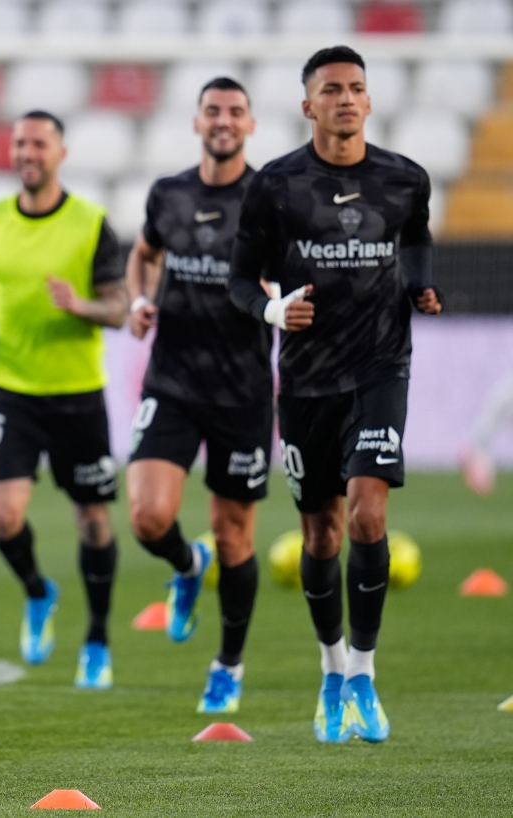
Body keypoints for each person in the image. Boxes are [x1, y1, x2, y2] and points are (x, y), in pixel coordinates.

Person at [229, 46, 442, 744]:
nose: (346, 99)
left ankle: (365, 676)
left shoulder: (405, 179)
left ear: (369, 101)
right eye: (331, 89)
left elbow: (414, 243)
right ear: (307, 104)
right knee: (319, 529)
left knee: (368, 518)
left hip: (382, 369)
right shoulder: (276, 186)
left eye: (356, 88)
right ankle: (330, 668)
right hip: (308, 381)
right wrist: (270, 311)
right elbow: (239, 280)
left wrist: (418, 286)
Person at [0, 110, 128, 688]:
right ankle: (38, 591)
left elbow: (120, 307)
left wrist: (81, 306)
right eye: (20, 143)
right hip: (13, 390)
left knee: (94, 521)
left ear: (61, 154)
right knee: (3, 519)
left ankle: (98, 639)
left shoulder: (91, 222)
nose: (27, 152)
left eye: (39, 144)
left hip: (77, 394)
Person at [124, 77, 272, 714]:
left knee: (236, 535)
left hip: (242, 389)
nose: (223, 120)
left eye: (235, 111)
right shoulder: (170, 193)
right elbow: (143, 254)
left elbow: (295, 276)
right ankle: (187, 565)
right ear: (197, 122)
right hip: (174, 380)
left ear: (250, 124)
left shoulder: (271, 198)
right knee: (148, 517)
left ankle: (229, 665)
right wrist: (137, 298)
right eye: (213, 110)